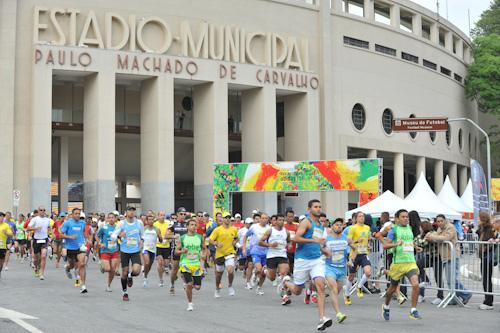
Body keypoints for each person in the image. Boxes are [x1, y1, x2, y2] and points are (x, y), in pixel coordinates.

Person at [278, 199, 332, 331]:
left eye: (320, 207)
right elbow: (296, 239)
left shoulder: (320, 224)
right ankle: (286, 282)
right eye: (315, 207)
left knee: (320, 286)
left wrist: (323, 251)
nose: (318, 209)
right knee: (297, 291)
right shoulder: (306, 222)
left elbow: (317, 243)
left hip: (316, 260)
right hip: (302, 260)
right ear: (309, 209)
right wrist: (314, 240)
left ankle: (321, 319)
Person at [382, 209, 422, 321]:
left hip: (410, 262)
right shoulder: (393, 230)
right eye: (403, 217)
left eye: (407, 217)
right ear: (397, 218)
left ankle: (413, 310)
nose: (406, 219)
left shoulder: (409, 228)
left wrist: (416, 247)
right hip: (398, 264)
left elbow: (408, 242)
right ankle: (386, 306)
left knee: (415, 285)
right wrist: (396, 244)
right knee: (391, 289)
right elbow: (385, 245)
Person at [425, 214, 472, 305]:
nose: (440, 223)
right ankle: (454, 298)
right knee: (449, 279)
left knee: (452, 279)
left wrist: (432, 237)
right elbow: (437, 237)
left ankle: (466, 294)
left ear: (445, 220)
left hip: (452, 255)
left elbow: (445, 238)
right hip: (445, 256)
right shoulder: (440, 229)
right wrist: (431, 236)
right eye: (438, 221)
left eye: (441, 221)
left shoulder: (450, 227)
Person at [324, 218, 357, 323]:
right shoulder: (326, 239)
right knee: (334, 289)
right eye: (336, 225)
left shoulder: (346, 239)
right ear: (332, 227)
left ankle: (323, 281)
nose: (339, 226)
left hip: (342, 269)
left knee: (336, 291)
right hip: (330, 267)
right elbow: (318, 250)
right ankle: (338, 314)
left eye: (340, 225)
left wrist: (351, 260)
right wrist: (325, 252)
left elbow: (355, 249)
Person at [111, 206, 144, 301]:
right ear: (125, 212)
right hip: (125, 251)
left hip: (135, 250)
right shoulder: (122, 223)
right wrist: (119, 235)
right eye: (129, 210)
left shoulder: (139, 222)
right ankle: (125, 292)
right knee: (124, 272)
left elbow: (143, 234)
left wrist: (142, 240)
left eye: (133, 210)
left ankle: (131, 276)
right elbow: (113, 236)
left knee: (137, 271)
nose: (131, 212)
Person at [259, 213, 291, 305]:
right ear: (275, 221)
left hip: (282, 255)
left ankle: (285, 296)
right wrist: (271, 245)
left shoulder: (286, 231)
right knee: (272, 278)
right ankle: (265, 271)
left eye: (283, 220)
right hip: (272, 256)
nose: (281, 222)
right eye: (280, 220)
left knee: (284, 274)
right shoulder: (270, 231)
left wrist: (289, 245)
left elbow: (289, 240)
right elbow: (260, 242)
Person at [175, 219, 207, 311]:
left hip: (196, 264)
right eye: (192, 225)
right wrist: (182, 251)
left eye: (195, 225)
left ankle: (190, 283)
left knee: (197, 287)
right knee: (189, 284)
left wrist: (204, 254)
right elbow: (176, 251)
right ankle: (190, 303)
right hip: (186, 264)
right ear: (187, 227)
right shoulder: (183, 238)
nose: (194, 226)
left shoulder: (200, 237)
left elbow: (205, 248)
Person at [60, 208, 90, 293]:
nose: (77, 215)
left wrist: (86, 238)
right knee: (72, 265)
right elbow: (61, 235)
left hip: (80, 246)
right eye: (76, 213)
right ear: (72, 214)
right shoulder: (67, 223)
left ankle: (83, 286)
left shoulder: (83, 223)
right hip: (70, 247)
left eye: (78, 213)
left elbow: (83, 230)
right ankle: (67, 268)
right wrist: (70, 237)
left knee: (82, 263)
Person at [414, 220, 444, 304]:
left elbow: (423, 243)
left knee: (438, 277)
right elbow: (415, 240)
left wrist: (419, 243)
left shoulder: (432, 233)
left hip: (437, 257)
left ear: (424, 228)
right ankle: (426, 280)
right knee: (416, 264)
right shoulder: (423, 235)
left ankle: (440, 296)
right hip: (428, 257)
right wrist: (419, 243)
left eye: (420, 228)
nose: (419, 229)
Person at [209, 212, 238, 298]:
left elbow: (236, 237)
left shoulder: (234, 229)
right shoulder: (217, 229)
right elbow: (210, 240)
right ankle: (217, 288)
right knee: (219, 274)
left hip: (230, 253)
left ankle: (230, 285)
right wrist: (216, 244)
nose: (228, 219)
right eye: (226, 217)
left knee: (230, 270)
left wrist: (235, 242)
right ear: (223, 219)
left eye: (229, 217)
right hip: (219, 254)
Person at [345, 211, 372, 303]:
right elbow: (349, 241)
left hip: (364, 254)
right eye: (359, 216)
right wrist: (356, 241)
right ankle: (347, 295)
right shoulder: (353, 228)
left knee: (368, 272)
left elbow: (366, 239)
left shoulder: (367, 228)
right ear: (356, 219)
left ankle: (359, 286)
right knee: (351, 276)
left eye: (363, 216)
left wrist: (368, 245)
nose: (362, 218)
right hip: (354, 254)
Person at [243, 213, 270, 295]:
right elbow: (245, 237)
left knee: (264, 272)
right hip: (255, 251)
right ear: (260, 219)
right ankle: (254, 276)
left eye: (266, 218)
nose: (265, 220)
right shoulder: (254, 227)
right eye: (263, 218)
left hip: (266, 252)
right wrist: (244, 248)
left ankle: (259, 287)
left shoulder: (269, 229)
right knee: (259, 268)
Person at [26, 206, 51, 280]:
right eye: (41, 210)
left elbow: (49, 227)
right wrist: (36, 228)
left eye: (44, 210)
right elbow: (28, 228)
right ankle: (36, 268)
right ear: (38, 211)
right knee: (36, 259)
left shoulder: (47, 220)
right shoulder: (35, 219)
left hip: (44, 239)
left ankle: (42, 273)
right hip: (36, 240)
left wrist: (49, 231)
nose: (43, 211)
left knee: (43, 256)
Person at [97, 213, 120, 292]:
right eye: (109, 217)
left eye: (112, 217)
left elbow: (122, 236)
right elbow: (96, 235)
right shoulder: (104, 227)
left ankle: (108, 285)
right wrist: (100, 243)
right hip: (105, 250)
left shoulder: (118, 228)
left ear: (115, 219)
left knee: (113, 269)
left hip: (115, 250)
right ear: (107, 219)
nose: (111, 219)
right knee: (107, 269)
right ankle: (103, 267)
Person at [169, 207, 189, 296]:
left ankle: (185, 284)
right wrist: (174, 237)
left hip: (185, 249)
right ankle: (172, 285)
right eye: (181, 214)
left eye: (185, 214)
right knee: (175, 269)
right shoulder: (173, 223)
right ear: (177, 214)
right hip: (176, 249)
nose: (183, 216)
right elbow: (166, 235)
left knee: (185, 267)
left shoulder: (187, 224)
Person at [477, 212, 495, 310]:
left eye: (479, 219)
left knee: (486, 280)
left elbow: (491, 243)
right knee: (485, 279)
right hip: (484, 257)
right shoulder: (483, 229)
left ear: (483, 220)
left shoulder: (488, 230)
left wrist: (484, 249)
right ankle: (487, 301)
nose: (477, 220)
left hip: (487, 258)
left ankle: (488, 302)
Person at [154, 211, 175, 287]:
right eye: (161, 215)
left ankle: (162, 268)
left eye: (163, 215)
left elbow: (171, 234)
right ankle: (161, 280)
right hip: (158, 245)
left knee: (166, 264)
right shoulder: (155, 224)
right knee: (159, 261)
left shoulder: (168, 224)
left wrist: (170, 239)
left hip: (166, 246)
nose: (162, 216)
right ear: (158, 216)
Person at [142, 214, 162, 287]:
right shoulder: (144, 228)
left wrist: (160, 237)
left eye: (152, 219)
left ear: (154, 220)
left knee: (150, 265)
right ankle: (145, 278)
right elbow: (141, 237)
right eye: (149, 220)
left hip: (153, 249)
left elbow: (161, 240)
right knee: (147, 263)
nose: (151, 221)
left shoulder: (157, 229)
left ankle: (146, 274)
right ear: (147, 221)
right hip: (146, 248)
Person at [237, 217, 254, 289]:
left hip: (251, 250)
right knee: (241, 267)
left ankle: (248, 283)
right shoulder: (241, 231)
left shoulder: (254, 230)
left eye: (251, 223)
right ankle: (244, 269)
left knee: (251, 265)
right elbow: (235, 240)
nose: (249, 225)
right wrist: (239, 246)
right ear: (245, 224)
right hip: (242, 250)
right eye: (248, 223)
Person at [284, 210, 298, 276]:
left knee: (291, 265)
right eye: (289, 217)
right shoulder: (283, 226)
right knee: (287, 264)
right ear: (285, 217)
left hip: (294, 248)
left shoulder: (296, 226)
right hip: (285, 249)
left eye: (292, 217)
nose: (291, 218)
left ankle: (289, 273)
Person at [0, 212, 14, 281]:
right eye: (0, 216)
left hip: (2, 246)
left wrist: (5, 232)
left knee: (1, 261)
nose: (1, 218)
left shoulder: (6, 225)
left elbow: (11, 235)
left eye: (2, 216)